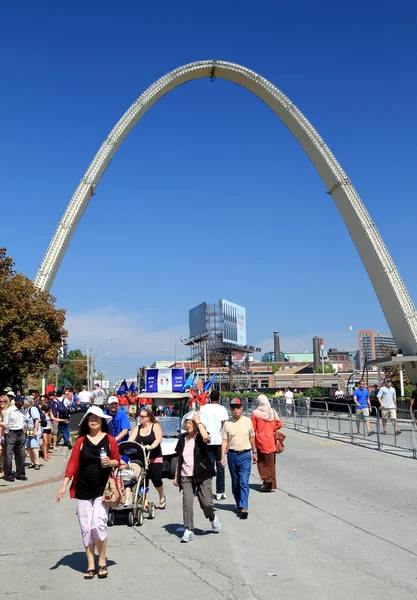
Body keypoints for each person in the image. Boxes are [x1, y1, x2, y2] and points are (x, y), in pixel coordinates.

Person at [56, 406, 120, 580]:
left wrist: (111, 462)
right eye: (91, 417)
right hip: (83, 490)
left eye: (97, 418)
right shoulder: (80, 441)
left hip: (102, 491)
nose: (94, 420)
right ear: (87, 421)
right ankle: (91, 564)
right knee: (86, 529)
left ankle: (102, 561)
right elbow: (72, 465)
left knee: (98, 526)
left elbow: (118, 461)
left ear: (102, 421)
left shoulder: (110, 440)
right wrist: (64, 486)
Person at [173, 411, 219, 543]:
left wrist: (198, 422)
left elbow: (206, 438)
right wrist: (176, 476)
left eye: (190, 422)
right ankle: (188, 530)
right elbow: (179, 458)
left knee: (207, 503)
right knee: (187, 503)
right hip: (186, 475)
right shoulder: (182, 438)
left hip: (202, 474)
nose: (188, 425)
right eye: (186, 422)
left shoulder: (200, 436)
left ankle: (212, 517)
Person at [221, 398, 257, 519]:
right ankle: (239, 504)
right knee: (235, 483)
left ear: (242, 408)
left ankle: (244, 507)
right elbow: (224, 441)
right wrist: (222, 456)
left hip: (245, 455)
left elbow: (252, 437)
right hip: (232, 455)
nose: (235, 409)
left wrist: (255, 452)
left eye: (238, 407)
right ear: (230, 409)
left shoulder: (248, 421)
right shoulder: (227, 423)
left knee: (244, 482)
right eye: (233, 407)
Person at [128, 407, 166, 509]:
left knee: (157, 480)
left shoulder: (155, 426)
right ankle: (145, 501)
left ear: (148, 418)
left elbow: (158, 438)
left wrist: (151, 446)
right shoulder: (137, 428)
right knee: (144, 480)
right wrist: (129, 445)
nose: (140, 418)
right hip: (142, 457)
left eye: (142, 416)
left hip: (154, 456)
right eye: (139, 416)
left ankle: (161, 496)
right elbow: (131, 439)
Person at [200, 389, 229, 500]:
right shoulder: (222, 409)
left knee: (208, 467)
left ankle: (206, 490)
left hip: (207, 440)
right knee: (220, 466)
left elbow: (201, 424)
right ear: (219, 397)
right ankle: (220, 491)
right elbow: (225, 425)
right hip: (220, 440)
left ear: (210, 397)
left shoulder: (203, 408)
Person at [251, 395, 281, 492]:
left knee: (262, 463)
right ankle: (271, 483)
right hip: (271, 441)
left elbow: (252, 429)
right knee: (271, 463)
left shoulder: (256, 414)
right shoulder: (272, 411)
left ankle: (267, 481)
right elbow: (279, 424)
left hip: (260, 441)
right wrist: (272, 429)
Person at [1, 395, 27, 482]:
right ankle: (8, 475)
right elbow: (5, 424)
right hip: (11, 433)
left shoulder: (22, 410)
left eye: (23, 401)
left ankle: (20, 474)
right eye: (21, 401)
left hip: (21, 433)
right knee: (8, 455)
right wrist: (3, 438)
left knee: (21, 455)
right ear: (16, 401)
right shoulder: (10, 410)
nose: (23, 403)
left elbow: (23, 421)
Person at [24, 398, 42, 470]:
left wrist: (35, 430)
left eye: (24, 402)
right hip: (28, 430)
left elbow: (37, 419)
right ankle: (32, 463)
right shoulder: (27, 410)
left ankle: (37, 463)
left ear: (27, 403)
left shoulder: (33, 409)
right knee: (29, 447)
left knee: (34, 447)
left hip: (34, 430)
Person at [0, 395, 11, 477]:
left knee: (4, 453)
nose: (2, 403)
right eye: (0, 401)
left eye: (4, 401)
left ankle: (3, 470)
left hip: (7, 434)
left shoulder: (9, 411)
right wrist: (3, 424)